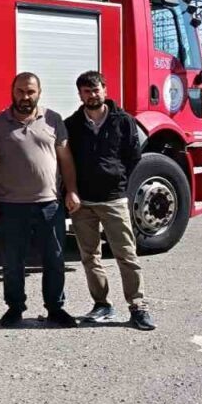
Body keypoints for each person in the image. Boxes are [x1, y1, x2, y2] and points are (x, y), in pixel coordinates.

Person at [0, 72, 80, 328]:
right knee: (13, 262)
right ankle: (14, 308)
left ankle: (55, 308)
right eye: (20, 91)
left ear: (39, 92)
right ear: (12, 92)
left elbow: (66, 159)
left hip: (49, 204)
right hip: (10, 206)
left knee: (54, 260)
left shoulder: (53, 120)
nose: (25, 97)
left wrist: (71, 190)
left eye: (30, 91)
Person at [63, 70, 154, 330]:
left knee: (126, 254)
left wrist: (118, 180)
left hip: (113, 199)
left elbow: (132, 156)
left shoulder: (124, 121)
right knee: (90, 256)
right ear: (80, 94)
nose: (92, 95)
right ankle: (101, 304)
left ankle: (138, 307)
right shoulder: (72, 124)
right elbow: (67, 161)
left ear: (105, 89)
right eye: (86, 91)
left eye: (96, 89)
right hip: (83, 202)